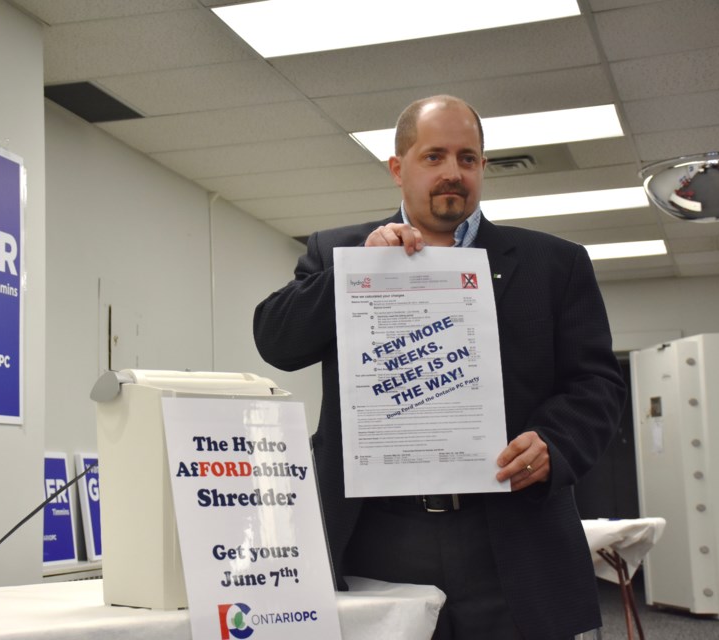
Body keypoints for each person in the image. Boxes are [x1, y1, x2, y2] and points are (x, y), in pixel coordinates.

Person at [253, 96, 626, 639]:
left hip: (509, 533)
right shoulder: (339, 250)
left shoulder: (555, 263)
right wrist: (355, 269)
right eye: (434, 157)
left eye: (468, 158)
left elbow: (597, 383)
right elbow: (276, 341)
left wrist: (556, 442)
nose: (453, 173)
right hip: (375, 535)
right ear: (398, 168)